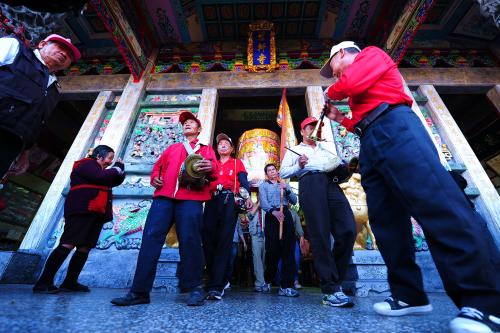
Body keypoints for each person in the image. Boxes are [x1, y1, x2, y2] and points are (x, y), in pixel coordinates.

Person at [320, 41, 500, 332]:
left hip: (397, 128)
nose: (335, 75)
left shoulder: (371, 55)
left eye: (334, 68)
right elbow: (360, 119)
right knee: (385, 222)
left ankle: (486, 303)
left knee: (436, 205)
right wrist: (340, 119)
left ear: (342, 54)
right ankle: (409, 294)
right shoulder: (354, 87)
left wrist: (332, 93)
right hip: (371, 141)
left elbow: (351, 83)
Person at [111, 111, 217, 307]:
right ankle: (139, 291)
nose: (187, 124)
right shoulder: (172, 148)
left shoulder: (206, 150)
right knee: (150, 239)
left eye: (191, 123)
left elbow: (214, 171)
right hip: (164, 198)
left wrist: (208, 168)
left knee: (191, 241)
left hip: (191, 198)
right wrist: (155, 179)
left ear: (199, 129)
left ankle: (195, 289)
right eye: (184, 123)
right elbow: (158, 168)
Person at [280, 117, 356, 307]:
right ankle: (331, 290)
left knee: (348, 229)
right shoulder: (296, 150)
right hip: (310, 183)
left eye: (317, 127)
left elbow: (338, 169)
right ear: (303, 131)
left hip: (331, 185)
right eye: (310, 127)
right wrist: (299, 166)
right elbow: (282, 173)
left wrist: (346, 168)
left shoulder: (326, 150)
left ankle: (335, 277)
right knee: (320, 235)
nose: (314, 130)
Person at [33, 145, 124, 293]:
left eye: (112, 160)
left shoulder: (101, 171)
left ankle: (70, 282)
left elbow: (113, 181)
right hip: (82, 210)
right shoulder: (86, 164)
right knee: (68, 243)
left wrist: (120, 170)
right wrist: (118, 168)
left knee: (85, 247)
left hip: (95, 212)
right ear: (99, 156)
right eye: (109, 158)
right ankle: (43, 282)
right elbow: (99, 177)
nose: (110, 162)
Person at [0, 34, 80, 179]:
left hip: (9, 146)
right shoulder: (15, 48)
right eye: (60, 47)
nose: (64, 54)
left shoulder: (54, 90)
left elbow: (36, 122)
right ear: (42, 44)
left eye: (69, 56)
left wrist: (25, 152)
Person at [202, 133, 251, 300]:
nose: (222, 145)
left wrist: (247, 196)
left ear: (231, 149)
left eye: (226, 143)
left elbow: (244, 182)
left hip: (229, 200)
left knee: (224, 241)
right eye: (220, 144)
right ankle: (213, 279)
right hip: (211, 200)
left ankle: (217, 286)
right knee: (208, 239)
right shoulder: (211, 163)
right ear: (217, 148)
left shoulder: (237, 163)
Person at [259, 163, 299, 297]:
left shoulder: (284, 184)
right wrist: (273, 212)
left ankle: (286, 285)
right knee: (272, 250)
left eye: (273, 169)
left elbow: (294, 200)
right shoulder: (263, 186)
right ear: (267, 174)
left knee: (288, 249)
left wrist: (286, 189)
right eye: (269, 170)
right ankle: (268, 280)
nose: (272, 172)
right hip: (272, 216)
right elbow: (264, 203)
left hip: (285, 214)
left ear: (277, 172)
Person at [247, 200, 266, 292]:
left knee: (265, 259)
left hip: (266, 235)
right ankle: (259, 283)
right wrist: (258, 205)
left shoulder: (268, 206)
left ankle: (265, 281)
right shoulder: (253, 206)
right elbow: (249, 216)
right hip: (256, 235)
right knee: (257, 258)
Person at [224, 217, 247, 290]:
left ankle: (227, 281)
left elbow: (239, 230)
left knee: (231, 262)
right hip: (225, 241)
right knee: (225, 261)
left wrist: (244, 242)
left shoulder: (237, 217)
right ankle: (223, 281)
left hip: (234, 241)